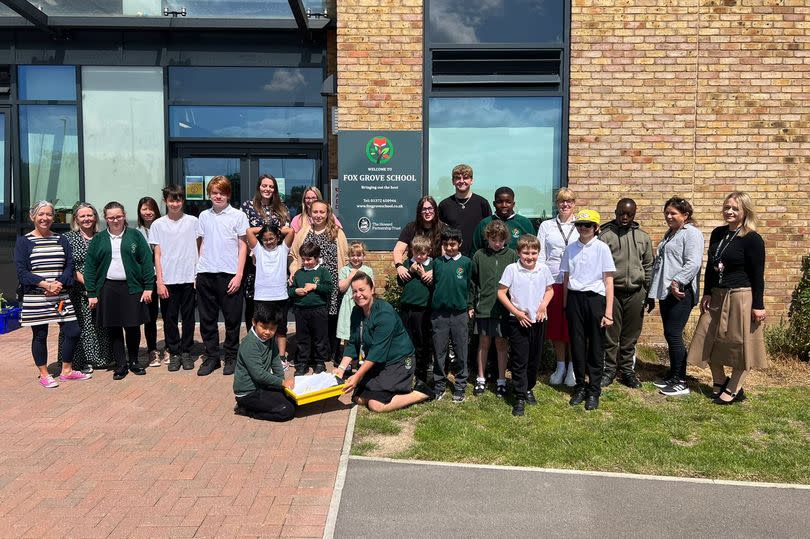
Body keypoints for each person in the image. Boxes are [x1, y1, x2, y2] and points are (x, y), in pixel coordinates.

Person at [687, 192, 766, 404]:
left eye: (735, 208)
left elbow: (758, 275)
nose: (729, 211)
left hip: (741, 296)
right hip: (718, 296)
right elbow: (712, 267)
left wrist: (758, 306)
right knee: (707, 338)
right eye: (727, 207)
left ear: (745, 212)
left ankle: (734, 388)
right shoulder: (718, 233)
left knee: (742, 346)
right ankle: (719, 381)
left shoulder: (752, 238)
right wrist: (707, 292)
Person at [15, 201, 92, 388]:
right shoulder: (23, 242)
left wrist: (59, 283)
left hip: (60, 295)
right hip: (37, 296)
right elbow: (22, 271)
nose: (45, 218)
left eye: (49, 214)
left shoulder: (61, 239)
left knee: (73, 331)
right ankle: (44, 374)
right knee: (40, 335)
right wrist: (45, 285)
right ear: (32, 217)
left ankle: (66, 370)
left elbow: (69, 265)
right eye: (41, 214)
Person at [338, 272, 433, 412]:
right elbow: (353, 342)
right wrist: (340, 370)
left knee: (376, 405)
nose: (358, 295)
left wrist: (357, 375)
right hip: (379, 362)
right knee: (358, 398)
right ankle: (387, 390)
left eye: (362, 290)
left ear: (372, 289)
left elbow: (378, 351)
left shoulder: (384, 313)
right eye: (355, 291)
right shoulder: (356, 312)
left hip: (399, 361)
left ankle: (421, 392)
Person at [85, 201, 154, 380]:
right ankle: (121, 364)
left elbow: (146, 261)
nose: (116, 220)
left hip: (132, 288)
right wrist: (91, 293)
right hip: (108, 288)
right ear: (106, 219)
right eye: (111, 217)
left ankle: (134, 361)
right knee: (114, 328)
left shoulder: (135, 236)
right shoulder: (98, 239)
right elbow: (90, 267)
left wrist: (148, 287)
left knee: (132, 326)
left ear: (124, 216)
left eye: (119, 216)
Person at [648, 197, 704, 397]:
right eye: (667, 213)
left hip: (680, 292)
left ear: (685, 215)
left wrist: (677, 281)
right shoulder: (672, 233)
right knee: (670, 335)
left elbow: (693, 263)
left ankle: (681, 380)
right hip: (666, 291)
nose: (669, 216)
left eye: (673, 213)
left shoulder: (692, 234)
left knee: (674, 335)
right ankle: (673, 373)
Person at [560, 209, 615, 411]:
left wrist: (608, 312)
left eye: (588, 225)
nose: (583, 228)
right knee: (577, 345)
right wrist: (566, 304)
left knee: (596, 346)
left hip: (595, 300)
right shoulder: (570, 249)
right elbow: (566, 278)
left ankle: (594, 390)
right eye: (580, 225)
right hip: (575, 299)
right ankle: (580, 387)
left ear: (596, 228)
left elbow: (608, 281)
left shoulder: (602, 248)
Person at [195, 176, 249, 377]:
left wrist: (239, 274)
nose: (218, 196)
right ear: (210, 194)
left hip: (229, 275)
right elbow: (201, 244)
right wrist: (197, 271)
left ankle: (231, 356)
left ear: (228, 195)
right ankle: (211, 357)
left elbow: (243, 246)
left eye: (222, 193)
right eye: (215, 193)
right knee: (207, 320)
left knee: (232, 320)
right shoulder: (203, 216)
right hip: (206, 274)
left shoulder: (238, 216)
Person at [599, 198, 653, 388]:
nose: (624, 217)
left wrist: (648, 293)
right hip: (613, 292)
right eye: (621, 213)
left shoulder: (643, 237)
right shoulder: (605, 237)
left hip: (636, 292)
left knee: (630, 336)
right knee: (610, 335)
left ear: (634, 214)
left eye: (629, 214)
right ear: (615, 212)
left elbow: (648, 266)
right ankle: (609, 370)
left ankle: (628, 371)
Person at [498, 234, 554, 416]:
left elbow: (550, 290)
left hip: (538, 321)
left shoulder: (543, 269)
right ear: (518, 253)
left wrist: (544, 305)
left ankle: (529, 387)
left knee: (534, 359)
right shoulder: (512, 269)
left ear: (538, 253)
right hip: (518, 320)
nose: (530, 257)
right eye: (526, 253)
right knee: (519, 359)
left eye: (534, 253)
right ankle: (520, 396)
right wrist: (516, 312)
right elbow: (501, 293)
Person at [289, 200, 349, 364]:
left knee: (332, 317)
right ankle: (311, 354)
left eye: (322, 212)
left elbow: (345, 256)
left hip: (331, 282)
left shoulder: (337, 232)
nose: (318, 215)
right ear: (310, 213)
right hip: (309, 284)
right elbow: (294, 256)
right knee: (312, 318)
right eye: (315, 212)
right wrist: (294, 272)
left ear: (328, 213)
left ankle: (331, 352)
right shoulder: (303, 232)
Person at [57, 202, 112, 374]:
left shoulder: (103, 236)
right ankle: (76, 360)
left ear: (95, 217)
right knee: (78, 325)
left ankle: (101, 359)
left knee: (98, 325)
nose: (87, 219)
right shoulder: (68, 238)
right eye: (82, 216)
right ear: (76, 219)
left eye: (90, 215)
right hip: (76, 290)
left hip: (100, 288)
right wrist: (88, 284)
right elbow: (68, 266)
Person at [150, 185, 199, 372]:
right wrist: (159, 281)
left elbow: (199, 247)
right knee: (170, 318)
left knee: (188, 317)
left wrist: (197, 274)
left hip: (188, 277)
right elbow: (157, 254)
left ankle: (186, 351)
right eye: (171, 200)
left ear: (183, 201)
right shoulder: (158, 224)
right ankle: (175, 352)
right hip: (168, 279)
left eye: (178, 200)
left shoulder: (193, 222)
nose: (175, 203)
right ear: (165, 201)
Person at [470, 220, 517, 398]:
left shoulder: (512, 255)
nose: (497, 244)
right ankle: (481, 379)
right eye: (493, 239)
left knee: (501, 343)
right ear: (487, 238)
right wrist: (470, 304)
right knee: (483, 343)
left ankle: (501, 380)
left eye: (500, 240)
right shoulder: (479, 255)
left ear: (505, 239)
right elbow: (472, 283)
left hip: (504, 309)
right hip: (484, 308)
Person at [538, 188, 579, 387]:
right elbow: (540, 255)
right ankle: (560, 365)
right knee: (556, 326)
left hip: (576, 283)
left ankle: (573, 367)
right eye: (562, 202)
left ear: (574, 204)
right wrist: (543, 281)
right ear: (556, 203)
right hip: (553, 281)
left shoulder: (581, 225)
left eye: (569, 201)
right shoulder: (547, 226)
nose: (565, 205)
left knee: (573, 326)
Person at [241, 174, 290, 331]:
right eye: (264, 185)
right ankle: (254, 338)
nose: (267, 189)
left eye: (271, 186)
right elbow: (243, 233)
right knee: (253, 303)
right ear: (258, 187)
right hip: (254, 261)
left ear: (275, 189)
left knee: (276, 306)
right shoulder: (248, 206)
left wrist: (268, 231)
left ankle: (275, 342)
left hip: (275, 261)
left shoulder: (282, 208)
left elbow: (286, 231)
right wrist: (252, 252)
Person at [233, 304, 296, 421]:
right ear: (254, 322)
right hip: (248, 393)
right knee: (286, 411)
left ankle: (259, 405)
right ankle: (246, 410)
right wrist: (282, 382)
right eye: (264, 327)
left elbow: (276, 360)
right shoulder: (249, 344)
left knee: (293, 399)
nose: (268, 332)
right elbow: (259, 374)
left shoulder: (270, 339)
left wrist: (281, 385)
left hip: (261, 387)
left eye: (272, 329)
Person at [430, 227, 473, 402]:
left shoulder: (466, 263)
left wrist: (470, 306)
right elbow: (434, 286)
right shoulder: (437, 263)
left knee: (461, 350)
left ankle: (460, 386)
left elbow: (471, 287)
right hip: (439, 314)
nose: (449, 248)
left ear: (460, 244)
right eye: (446, 244)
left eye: (453, 244)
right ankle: (439, 385)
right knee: (439, 351)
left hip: (459, 314)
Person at [245, 222, 295, 367]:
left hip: (280, 296)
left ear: (278, 237)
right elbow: (249, 231)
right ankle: (262, 355)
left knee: (281, 328)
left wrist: (274, 230)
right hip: (262, 297)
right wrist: (266, 229)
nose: (268, 242)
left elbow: (291, 231)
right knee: (262, 327)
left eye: (271, 238)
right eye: (265, 239)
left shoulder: (283, 249)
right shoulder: (259, 250)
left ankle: (281, 357)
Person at [288, 241, 333, 375]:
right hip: (301, 311)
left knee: (320, 338)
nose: (306, 262)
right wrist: (296, 291)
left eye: (309, 259)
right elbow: (290, 291)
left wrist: (315, 286)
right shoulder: (298, 274)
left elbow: (329, 288)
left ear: (317, 258)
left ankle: (320, 362)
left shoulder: (323, 272)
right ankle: (302, 363)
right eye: (304, 259)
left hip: (318, 310)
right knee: (302, 338)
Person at [397, 235, 434, 383]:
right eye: (416, 253)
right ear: (412, 251)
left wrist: (423, 274)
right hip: (406, 309)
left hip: (423, 310)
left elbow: (434, 285)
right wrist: (410, 271)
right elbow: (400, 282)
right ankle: (407, 372)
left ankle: (421, 374)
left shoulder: (433, 265)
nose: (419, 257)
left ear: (428, 252)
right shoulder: (407, 263)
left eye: (422, 254)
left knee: (422, 343)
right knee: (407, 342)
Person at [438, 164, 492, 257]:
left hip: (478, 256)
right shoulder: (444, 205)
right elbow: (438, 232)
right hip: (451, 257)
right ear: (453, 181)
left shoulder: (482, 203)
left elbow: (490, 230)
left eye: (465, 178)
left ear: (472, 180)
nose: (461, 181)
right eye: (458, 178)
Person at [136, 196, 163, 368]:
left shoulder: (163, 226)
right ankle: (152, 350)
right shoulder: (136, 232)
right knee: (150, 317)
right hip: (146, 279)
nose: (147, 212)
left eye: (150, 208)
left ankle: (170, 347)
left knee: (169, 315)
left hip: (166, 276)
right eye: (144, 209)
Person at [393, 196, 446, 283]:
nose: (427, 212)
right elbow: (398, 250)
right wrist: (399, 266)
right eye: (424, 209)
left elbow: (446, 256)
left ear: (435, 210)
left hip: (434, 274)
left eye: (430, 208)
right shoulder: (411, 228)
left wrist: (435, 271)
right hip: (414, 272)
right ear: (419, 211)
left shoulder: (443, 229)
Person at [336, 242, 374, 361]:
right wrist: (351, 276)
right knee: (348, 335)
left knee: (363, 333)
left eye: (359, 255)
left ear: (363, 255)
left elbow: (372, 288)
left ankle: (361, 359)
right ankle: (348, 361)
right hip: (348, 306)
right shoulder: (345, 270)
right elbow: (341, 288)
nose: (356, 258)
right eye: (353, 255)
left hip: (362, 305)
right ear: (349, 256)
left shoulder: (367, 270)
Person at [471, 186, 536, 253]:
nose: (504, 205)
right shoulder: (484, 223)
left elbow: (534, 248)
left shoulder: (524, 223)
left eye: (508, 202)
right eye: (499, 202)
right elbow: (475, 251)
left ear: (513, 204)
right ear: (494, 204)